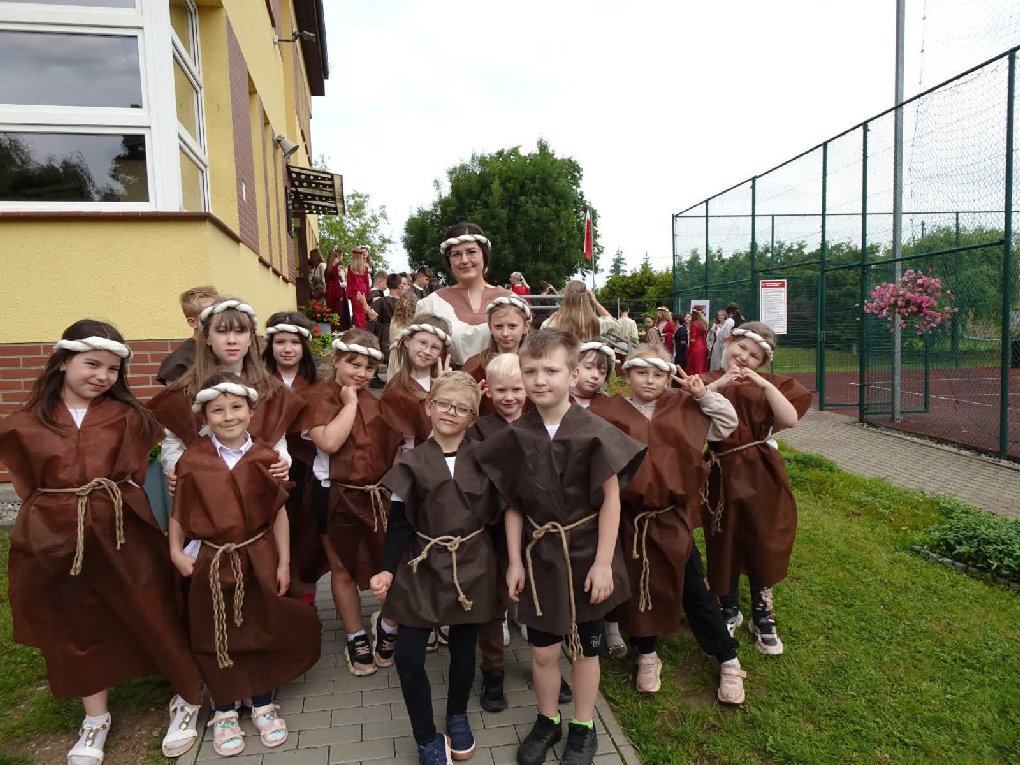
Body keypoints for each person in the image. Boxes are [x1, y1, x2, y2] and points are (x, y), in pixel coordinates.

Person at [0, 321, 205, 763]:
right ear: (62, 362)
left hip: (122, 528)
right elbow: (26, 484)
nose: (103, 376)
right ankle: (95, 717)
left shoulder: (128, 417)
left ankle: (187, 695)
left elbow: (136, 473)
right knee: (75, 620)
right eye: (92, 364)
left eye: (112, 369)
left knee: (151, 609)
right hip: (56, 535)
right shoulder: (25, 423)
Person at [473, 329, 646, 765]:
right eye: (530, 371)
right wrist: (515, 561)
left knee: (585, 649)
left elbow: (611, 501)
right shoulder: (517, 435)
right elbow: (513, 504)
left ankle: (584, 725)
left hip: (585, 554)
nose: (539, 380)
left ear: (572, 375)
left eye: (550, 370)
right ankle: (548, 718)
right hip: (540, 557)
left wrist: (604, 563)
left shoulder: (594, 431)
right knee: (543, 650)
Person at [170, 373, 320, 756]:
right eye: (217, 410)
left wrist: (284, 561)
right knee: (214, 630)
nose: (228, 416)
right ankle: (223, 708)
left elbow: (278, 513)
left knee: (259, 623)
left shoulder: (267, 459)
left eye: (236, 407)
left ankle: (262, 701)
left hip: (258, 553)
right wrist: (175, 551)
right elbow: (180, 511)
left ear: (251, 411)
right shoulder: (193, 460)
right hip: (212, 556)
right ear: (204, 416)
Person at [588, 343, 738, 695]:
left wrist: (704, 396)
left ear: (669, 377)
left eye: (658, 374)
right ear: (626, 375)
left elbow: (726, 425)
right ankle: (647, 653)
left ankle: (727, 655)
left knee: (694, 587)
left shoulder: (685, 406)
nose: (650, 380)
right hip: (629, 519)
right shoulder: (607, 411)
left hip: (672, 518)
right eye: (641, 372)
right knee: (642, 585)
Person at [371, 373, 504, 764]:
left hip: (473, 562)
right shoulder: (410, 463)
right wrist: (387, 570)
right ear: (428, 407)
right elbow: (398, 525)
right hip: (423, 563)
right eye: (444, 403)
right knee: (409, 656)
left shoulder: (484, 459)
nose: (451, 412)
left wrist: (508, 568)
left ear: (473, 417)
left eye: (462, 408)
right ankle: (426, 736)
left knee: (464, 647)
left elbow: (498, 520)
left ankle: (457, 714)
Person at [466, 353, 574, 714]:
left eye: (516, 389)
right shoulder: (479, 430)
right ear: (488, 391)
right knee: (492, 602)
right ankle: (493, 669)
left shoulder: (542, 424)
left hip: (537, 530)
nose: (509, 397)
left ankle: (546, 667)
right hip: (492, 531)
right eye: (501, 390)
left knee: (539, 599)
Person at [703, 322, 812, 655]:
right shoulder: (707, 380)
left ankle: (763, 612)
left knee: (762, 537)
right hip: (721, 470)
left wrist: (763, 384)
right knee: (724, 536)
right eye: (741, 348)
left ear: (762, 364)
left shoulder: (770, 386)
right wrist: (720, 383)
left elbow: (789, 419)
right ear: (728, 342)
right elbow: (690, 411)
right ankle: (728, 605)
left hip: (760, 471)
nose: (744, 358)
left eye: (754, 356)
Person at [301, 330, 403, 676]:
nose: (361, 373)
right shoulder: (319, 396)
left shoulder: (374, 401)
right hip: (334, 493)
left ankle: (387, 625)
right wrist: (349, 405)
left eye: (369, 368)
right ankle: (355, 636)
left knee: (385, 561)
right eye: (353, 364)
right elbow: (329, 442)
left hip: (373, 494)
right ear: (336, 360)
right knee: (342, 567)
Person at [149, 298, 304, 484]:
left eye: (240, 331)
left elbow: (277, 438)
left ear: (251, 338)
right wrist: (175, 469)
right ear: (207, 337)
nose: (232, 340)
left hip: (257, 486)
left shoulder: (272, 390)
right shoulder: (185, 390)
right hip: (203, 487)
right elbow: (173, 442)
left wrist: (283, 460)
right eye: (222, 331)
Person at [262, 312, 324, 605]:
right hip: (269, 469)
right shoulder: (257, 382)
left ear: (304, 346)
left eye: (294, 342)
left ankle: (304, 600)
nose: (287, 349)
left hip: (308, 471)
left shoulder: (317, 384)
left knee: (305, 537)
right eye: (280, 342)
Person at [414, 222, 514, 365]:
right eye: (456, 254)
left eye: (471, 252)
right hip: (446, 378)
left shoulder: (510, 301)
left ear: (484, 255)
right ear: (449, 260)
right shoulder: (432, 304)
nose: (464, 260)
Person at [381, 315, 453, 453]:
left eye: (435, 347)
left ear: (441, 353)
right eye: (423, 342)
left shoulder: (445, 380)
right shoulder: (396, 389)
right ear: (407, 341)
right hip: (414, 456)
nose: (427, 351)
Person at [459, 296, 531, 416]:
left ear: (526, 326)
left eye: (512, 326)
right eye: (498, 326)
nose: (505, 333)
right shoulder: (475, 366)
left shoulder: (536, 366)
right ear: (490, 327)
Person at [157, 285, 220, 385]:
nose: (219, 319)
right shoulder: (179, 363)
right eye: (210, 315)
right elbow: (179, 395)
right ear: (193, 322)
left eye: (221, 313)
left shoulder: (227, 349)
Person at [543, 281, 618, 339]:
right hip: (588, 354)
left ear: (566, 298)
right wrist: (595, 302)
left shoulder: (555, 320)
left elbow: (544, 333)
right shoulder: (594, 321)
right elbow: (613, 322)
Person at [570, 339, 616, 409]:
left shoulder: (607, 407)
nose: (596, 375)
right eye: (588, 367)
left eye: (602, 372)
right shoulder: (558, 399)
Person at [387, 289, 419, 380]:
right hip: (407, 353)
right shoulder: (416, 320)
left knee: (394, 375)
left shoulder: (394, 319)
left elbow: (391, 337)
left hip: (395, 351)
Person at [347, 246, 373, 329]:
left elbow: (349, 282)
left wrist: (349, 295)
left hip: (355, 292)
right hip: (363, 291)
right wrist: (368, 292)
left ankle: (360, 328)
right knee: (363, 311)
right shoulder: (365, 267)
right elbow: (366, 281)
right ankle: (362, 328)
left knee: (357, 312)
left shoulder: (351, 267)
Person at [325, 251, 350, 330]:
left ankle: (331, 328)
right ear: (334, 258)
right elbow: (336, 283)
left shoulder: (327, 269)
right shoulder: (334, 268)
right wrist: (340, 295)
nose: (338, 259)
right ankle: (336, 328)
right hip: (335, 292)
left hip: (329, 291)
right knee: (337, 311)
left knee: (330, 310)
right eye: (337, 258)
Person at [685, 308, 709, 375]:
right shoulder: (704, 323)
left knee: (694, 365)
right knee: (701, 364)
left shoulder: (694, 323)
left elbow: (693, 339)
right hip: (703, 345)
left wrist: (689, 348)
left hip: (696, 346)